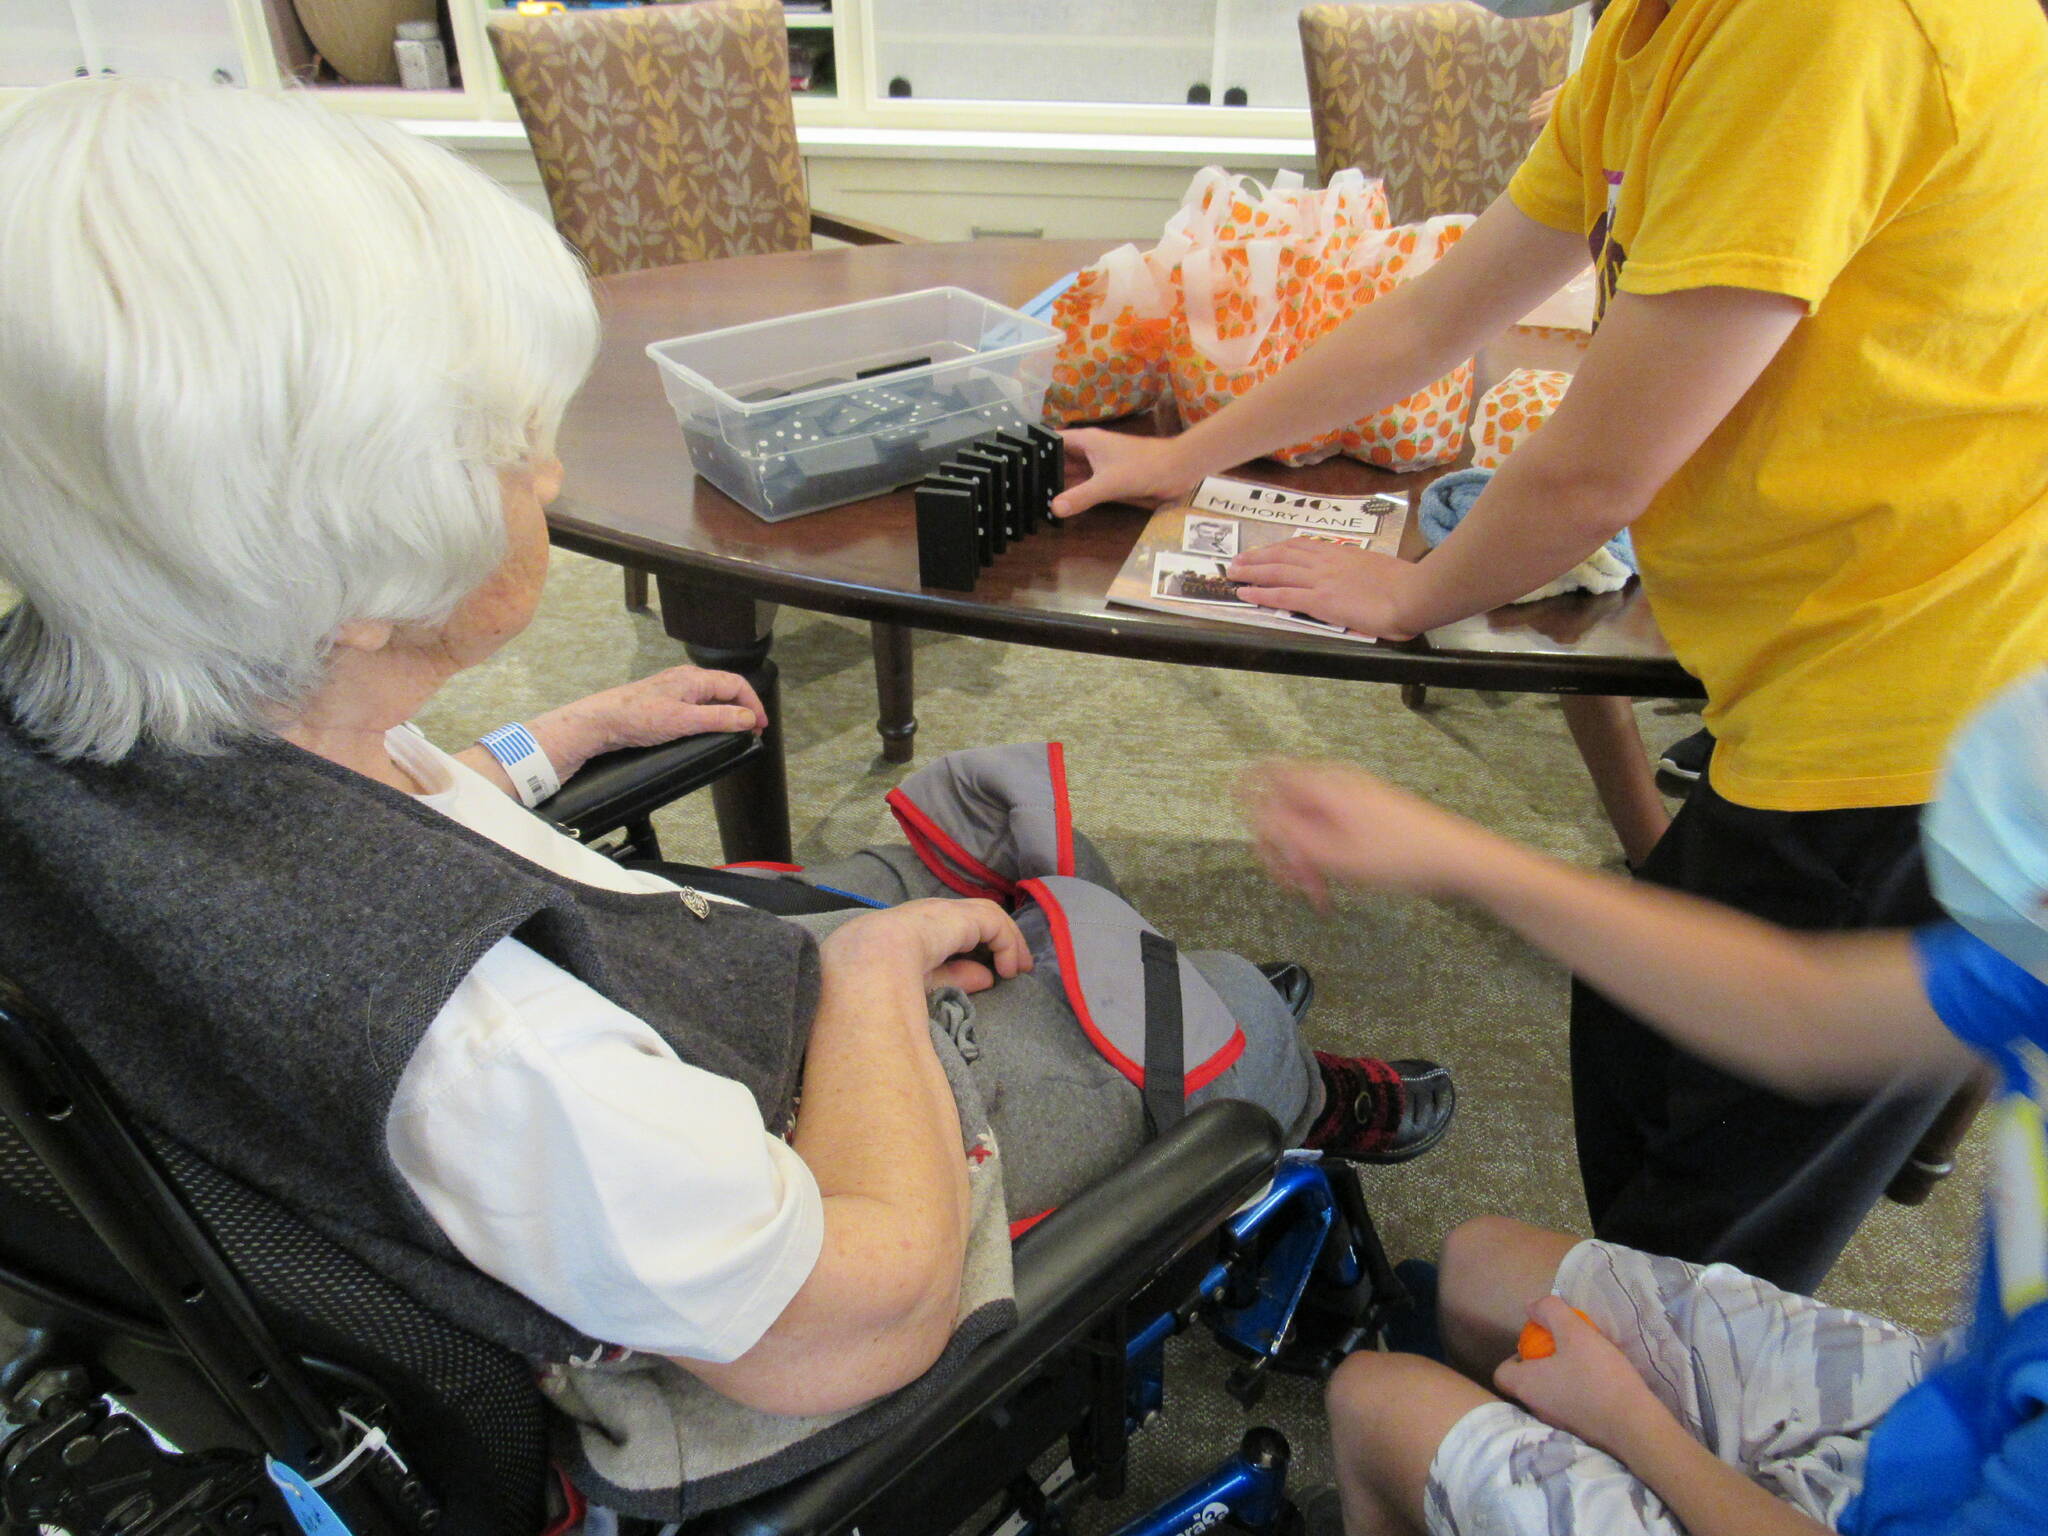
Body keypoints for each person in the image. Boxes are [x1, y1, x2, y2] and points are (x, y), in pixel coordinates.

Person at [0, 79, 1449, 1518]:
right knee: (1209, 1012)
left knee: (979, 853)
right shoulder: (499, 1055)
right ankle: (1289, 1094)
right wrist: (875, 982)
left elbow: (383, 812)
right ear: (357, 578)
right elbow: (860, 1315)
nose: (553, 466)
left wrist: (551, 743)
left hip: (632, 1049)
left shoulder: (96, 720)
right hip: (772, 1263)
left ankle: (1109, 986)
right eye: (511, 450)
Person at [1056, 0, 2048, 1292]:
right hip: (1820, 679)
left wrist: (1415, 597)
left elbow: (1594, 471)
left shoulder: (1824, 30)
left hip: (1932, 717)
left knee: (1708, 1252)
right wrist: (1187, 455)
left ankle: (1636, 1395)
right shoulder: (1657, 35)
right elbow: (1433, 320)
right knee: (1633, 1023)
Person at [1245, 667, 2048, 1535]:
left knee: (1377, 1401)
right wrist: (1453, 854)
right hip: (1952, 1403)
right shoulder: (2032, 947)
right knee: (1483, 1269)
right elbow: (1798, 1009)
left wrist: (1628, 1422)